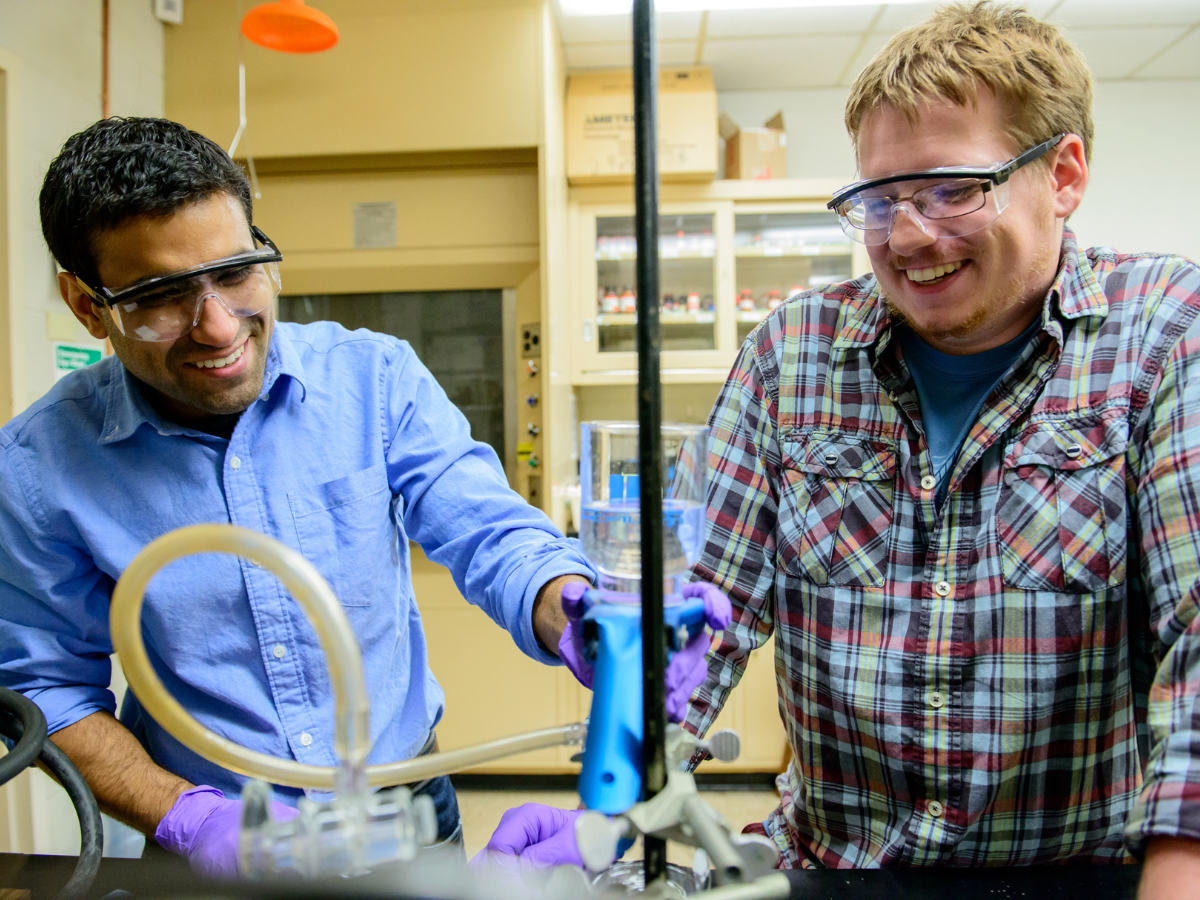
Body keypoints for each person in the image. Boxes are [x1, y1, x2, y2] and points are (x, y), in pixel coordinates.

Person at [679, 2, 1200, 895]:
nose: (911, 237)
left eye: (954, 189)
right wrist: (614, 796)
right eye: (880, 201)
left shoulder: (1160, 334)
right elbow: (700, 611)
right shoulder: (794, 356)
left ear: (1064, 174)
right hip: (839, 871)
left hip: (1078, 873)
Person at [0, 117, 605, 878]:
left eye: (236, 272)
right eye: (162, 296)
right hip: (216, 836)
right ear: (88, 306)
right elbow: (44, 687)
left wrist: (572, 604)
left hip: (404, 810)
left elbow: (491, 534)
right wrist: (186, 818)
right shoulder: (39, 466)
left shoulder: (372, 379)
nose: (218, 326)